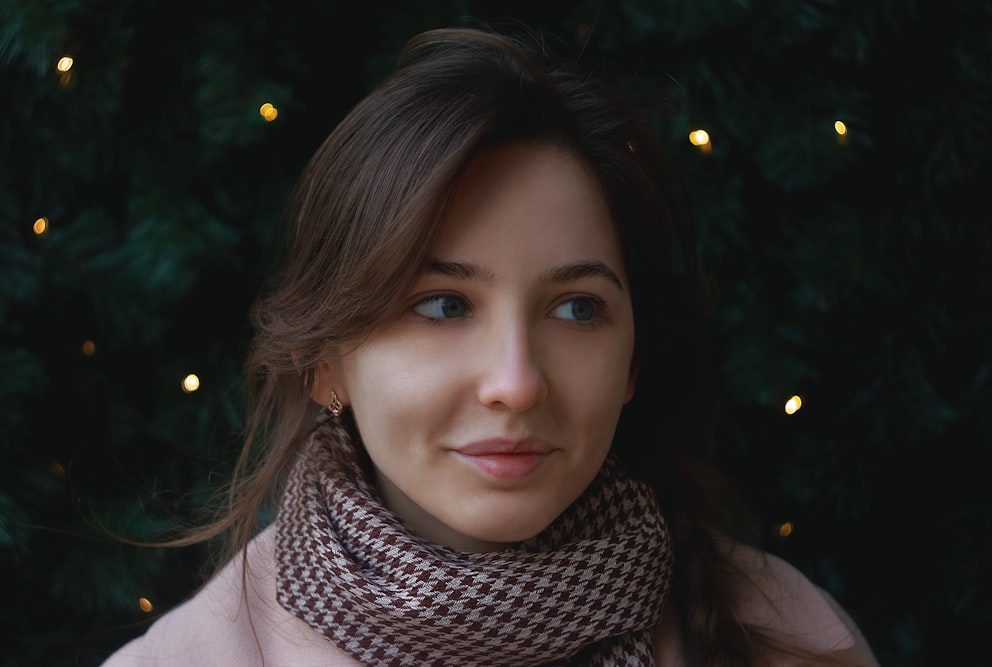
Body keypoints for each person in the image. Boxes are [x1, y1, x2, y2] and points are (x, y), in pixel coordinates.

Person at [102, 25, 880, 667]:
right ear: (325, 361)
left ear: (634, 358)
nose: (516, 383)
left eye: (578, 308)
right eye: (442, 305)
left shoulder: (795, 641)